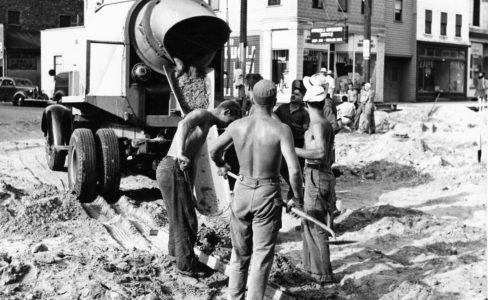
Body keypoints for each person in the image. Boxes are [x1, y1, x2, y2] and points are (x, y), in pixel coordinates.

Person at [210, 80, 303, 300]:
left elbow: (213, 148)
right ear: (274, 102)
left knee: (239, 254)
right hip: (267, 192)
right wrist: (296, 197)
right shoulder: (281, 129)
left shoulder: (237, 125)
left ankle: (234, 297)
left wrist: (221, 164)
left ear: (252, 98)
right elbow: (294, 170)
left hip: (242, 189)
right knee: (261, 256)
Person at [156, 101, 241, 277]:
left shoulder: (208, 125)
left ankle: (175, 256)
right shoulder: (203, 114)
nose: (230, 125)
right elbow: (183, 124)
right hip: (173, 166)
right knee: (187, 220)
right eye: (233, 119)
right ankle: (186, 266)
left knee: (178, 216)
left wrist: (191, 190)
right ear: (226, 112)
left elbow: (193, 161)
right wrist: (180, 152)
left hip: (176, 171)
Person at [292, 85, 336, 284]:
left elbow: (319, 153)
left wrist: (292, 150)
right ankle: (311, 269)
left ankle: (323, 274)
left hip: (317, 175)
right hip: (320, 175)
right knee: (309, 223)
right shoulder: (323, 123)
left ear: (307, 103)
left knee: (315, 224)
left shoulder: (318, 125)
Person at [275, 79, 309, 198]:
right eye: (292, 94)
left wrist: (295, 128)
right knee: (282, 168)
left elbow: (306, 130)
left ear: (302, 97)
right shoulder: (282, 108)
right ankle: (295, 189)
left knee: (297, 169)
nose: (293, 96)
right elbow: (274, 119)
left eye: (297, 95)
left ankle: (295, 194)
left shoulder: (304, 113)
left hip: (297, 144)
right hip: (283, 143)